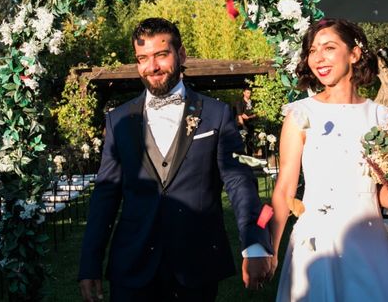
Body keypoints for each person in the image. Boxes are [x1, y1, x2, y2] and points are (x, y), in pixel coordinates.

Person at [78, 18, 273, 302]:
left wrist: (254, 245)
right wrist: (89, 264)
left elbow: (239, 181)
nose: (152, 67)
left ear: (180, 55)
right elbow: (105, 194)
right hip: (132, 265)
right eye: (142, 58)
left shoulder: (216, 114)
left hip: (197, 264)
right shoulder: (119, 120)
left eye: (161, 55)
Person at [270, 18, 388, 301]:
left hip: (368, 240)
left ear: (354, 54)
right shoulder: (301, 115)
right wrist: (270, 251)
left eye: (329, 48)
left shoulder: (381, 118)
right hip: (317, 240)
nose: (318, 58)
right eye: (313, 51)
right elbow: (285, 188)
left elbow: (382, 191)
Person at [233, 87, 258, 153]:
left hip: (250, 124)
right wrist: (243, 126)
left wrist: (249, 117)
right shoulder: (239, 102)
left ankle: (250, 156)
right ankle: (240, 156)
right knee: (241, 141)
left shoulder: (252, 102)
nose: (249, 94)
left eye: (250, 93)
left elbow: (256, 113)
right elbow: (239, 115)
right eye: (247, 93)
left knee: (250, 141)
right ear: (244, 93)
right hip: (240, 124)